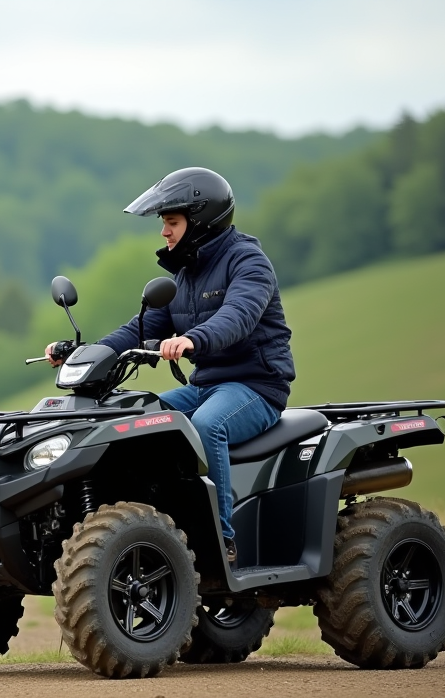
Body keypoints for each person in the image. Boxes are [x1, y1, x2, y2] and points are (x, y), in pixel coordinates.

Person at [47, 167, 295, 563]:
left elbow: (238, 316)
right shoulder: (185, 274)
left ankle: (219, 541)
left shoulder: (249, 261)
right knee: (138, 425)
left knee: (207, 427)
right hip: (204, 386)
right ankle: (152, 529)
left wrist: (194, 338)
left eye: (172, 222)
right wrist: (85, 353)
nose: (164, 232)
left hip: (255, 386)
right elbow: (139, 329)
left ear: (199, 222)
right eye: (164, 222)